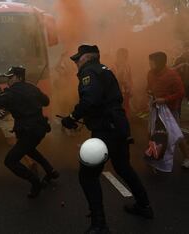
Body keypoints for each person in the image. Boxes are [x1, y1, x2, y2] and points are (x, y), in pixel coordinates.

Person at [61, 45, 153, 234]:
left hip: (106, 129)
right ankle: (144, 206)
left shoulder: (89, 72)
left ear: (87, 57)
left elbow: (91, 100)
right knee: (122, 167)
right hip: (117, 125)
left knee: (87, 175)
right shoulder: (104, 69)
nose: (76, 63)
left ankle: (99, 224)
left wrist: (71, 118)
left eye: (78, 59)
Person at [0, 66, 59, 198]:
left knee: (10, 161)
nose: (8, 80)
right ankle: (51, 171)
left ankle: (35, 182)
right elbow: (46, 101)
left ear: (19, 77)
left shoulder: (11, 93)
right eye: (7, 77)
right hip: (40, 129)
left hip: (28, 132)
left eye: (10, 77)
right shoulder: (32, 88)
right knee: (29, 149)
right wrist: (33, 94)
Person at [147, 51, 189, 169]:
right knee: (152, 132)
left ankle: (187, 158)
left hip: (170, 110)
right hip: (155, 108)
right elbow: (149, 87)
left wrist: (165, 99)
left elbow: (181, 93)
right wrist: (149, 93)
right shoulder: (150, 73)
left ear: (159, 63)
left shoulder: (172, 75)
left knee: (177, 135)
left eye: (152, 62)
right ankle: (154, 154)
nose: (149, 64)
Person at [112, 48, 133, 119]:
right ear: (117, 56)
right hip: (116, 91)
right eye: (122, 56)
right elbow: (112, 80)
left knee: (126, 107)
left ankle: (126, 123)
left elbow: (130, 79)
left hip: (126, 91)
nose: (124, 58)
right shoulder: (113, 66)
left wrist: (130, 89)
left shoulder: (127, 66)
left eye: (125, 56)